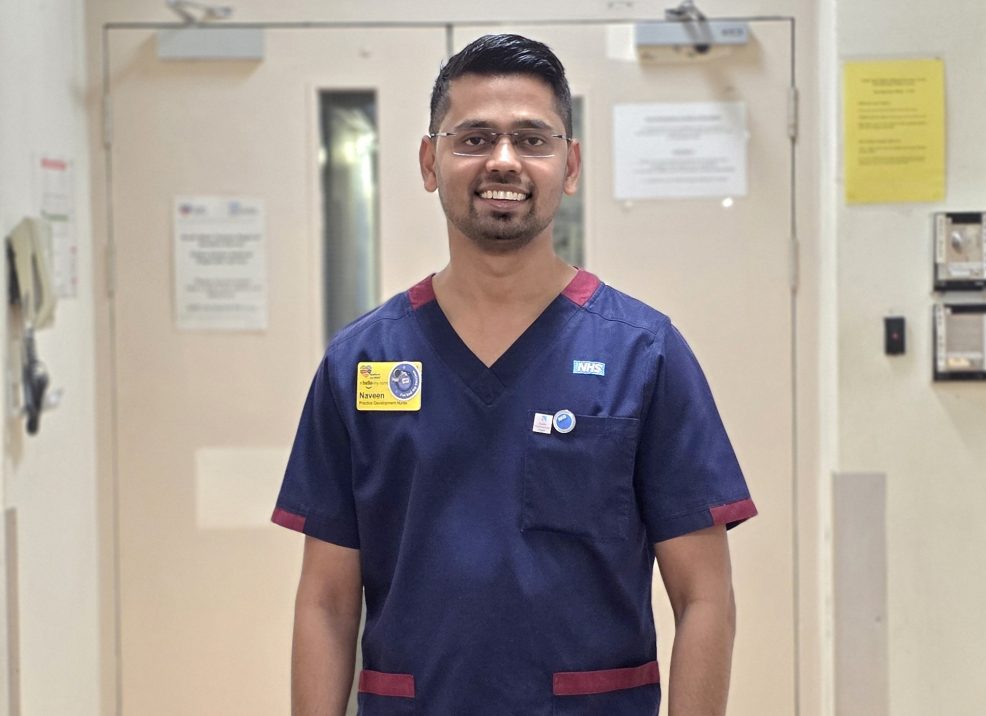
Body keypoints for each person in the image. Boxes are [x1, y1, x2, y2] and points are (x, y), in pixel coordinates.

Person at [272, 33, 756, 716]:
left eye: (532, 138)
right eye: (473, 138)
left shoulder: (644, 355)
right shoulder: (361, 364)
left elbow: (706, 599)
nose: (504, 160)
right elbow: (324, 601)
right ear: (428, 160)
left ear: (571, 162)